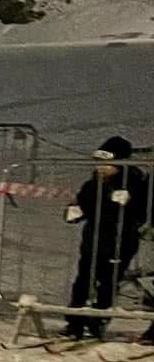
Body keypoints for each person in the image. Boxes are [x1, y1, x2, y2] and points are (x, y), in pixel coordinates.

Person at [64, 136, 151, 341]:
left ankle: (98, 320)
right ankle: (74, 322)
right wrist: (74, 212)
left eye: (108, 164)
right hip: (93, 240)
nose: (102, 168)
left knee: (108, 282)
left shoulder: (135, 183)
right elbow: (83, 204)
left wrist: (128, 205)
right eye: (100, 163)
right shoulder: (92, 184)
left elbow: (142, 213)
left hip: (120, 242)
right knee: (83, 281)